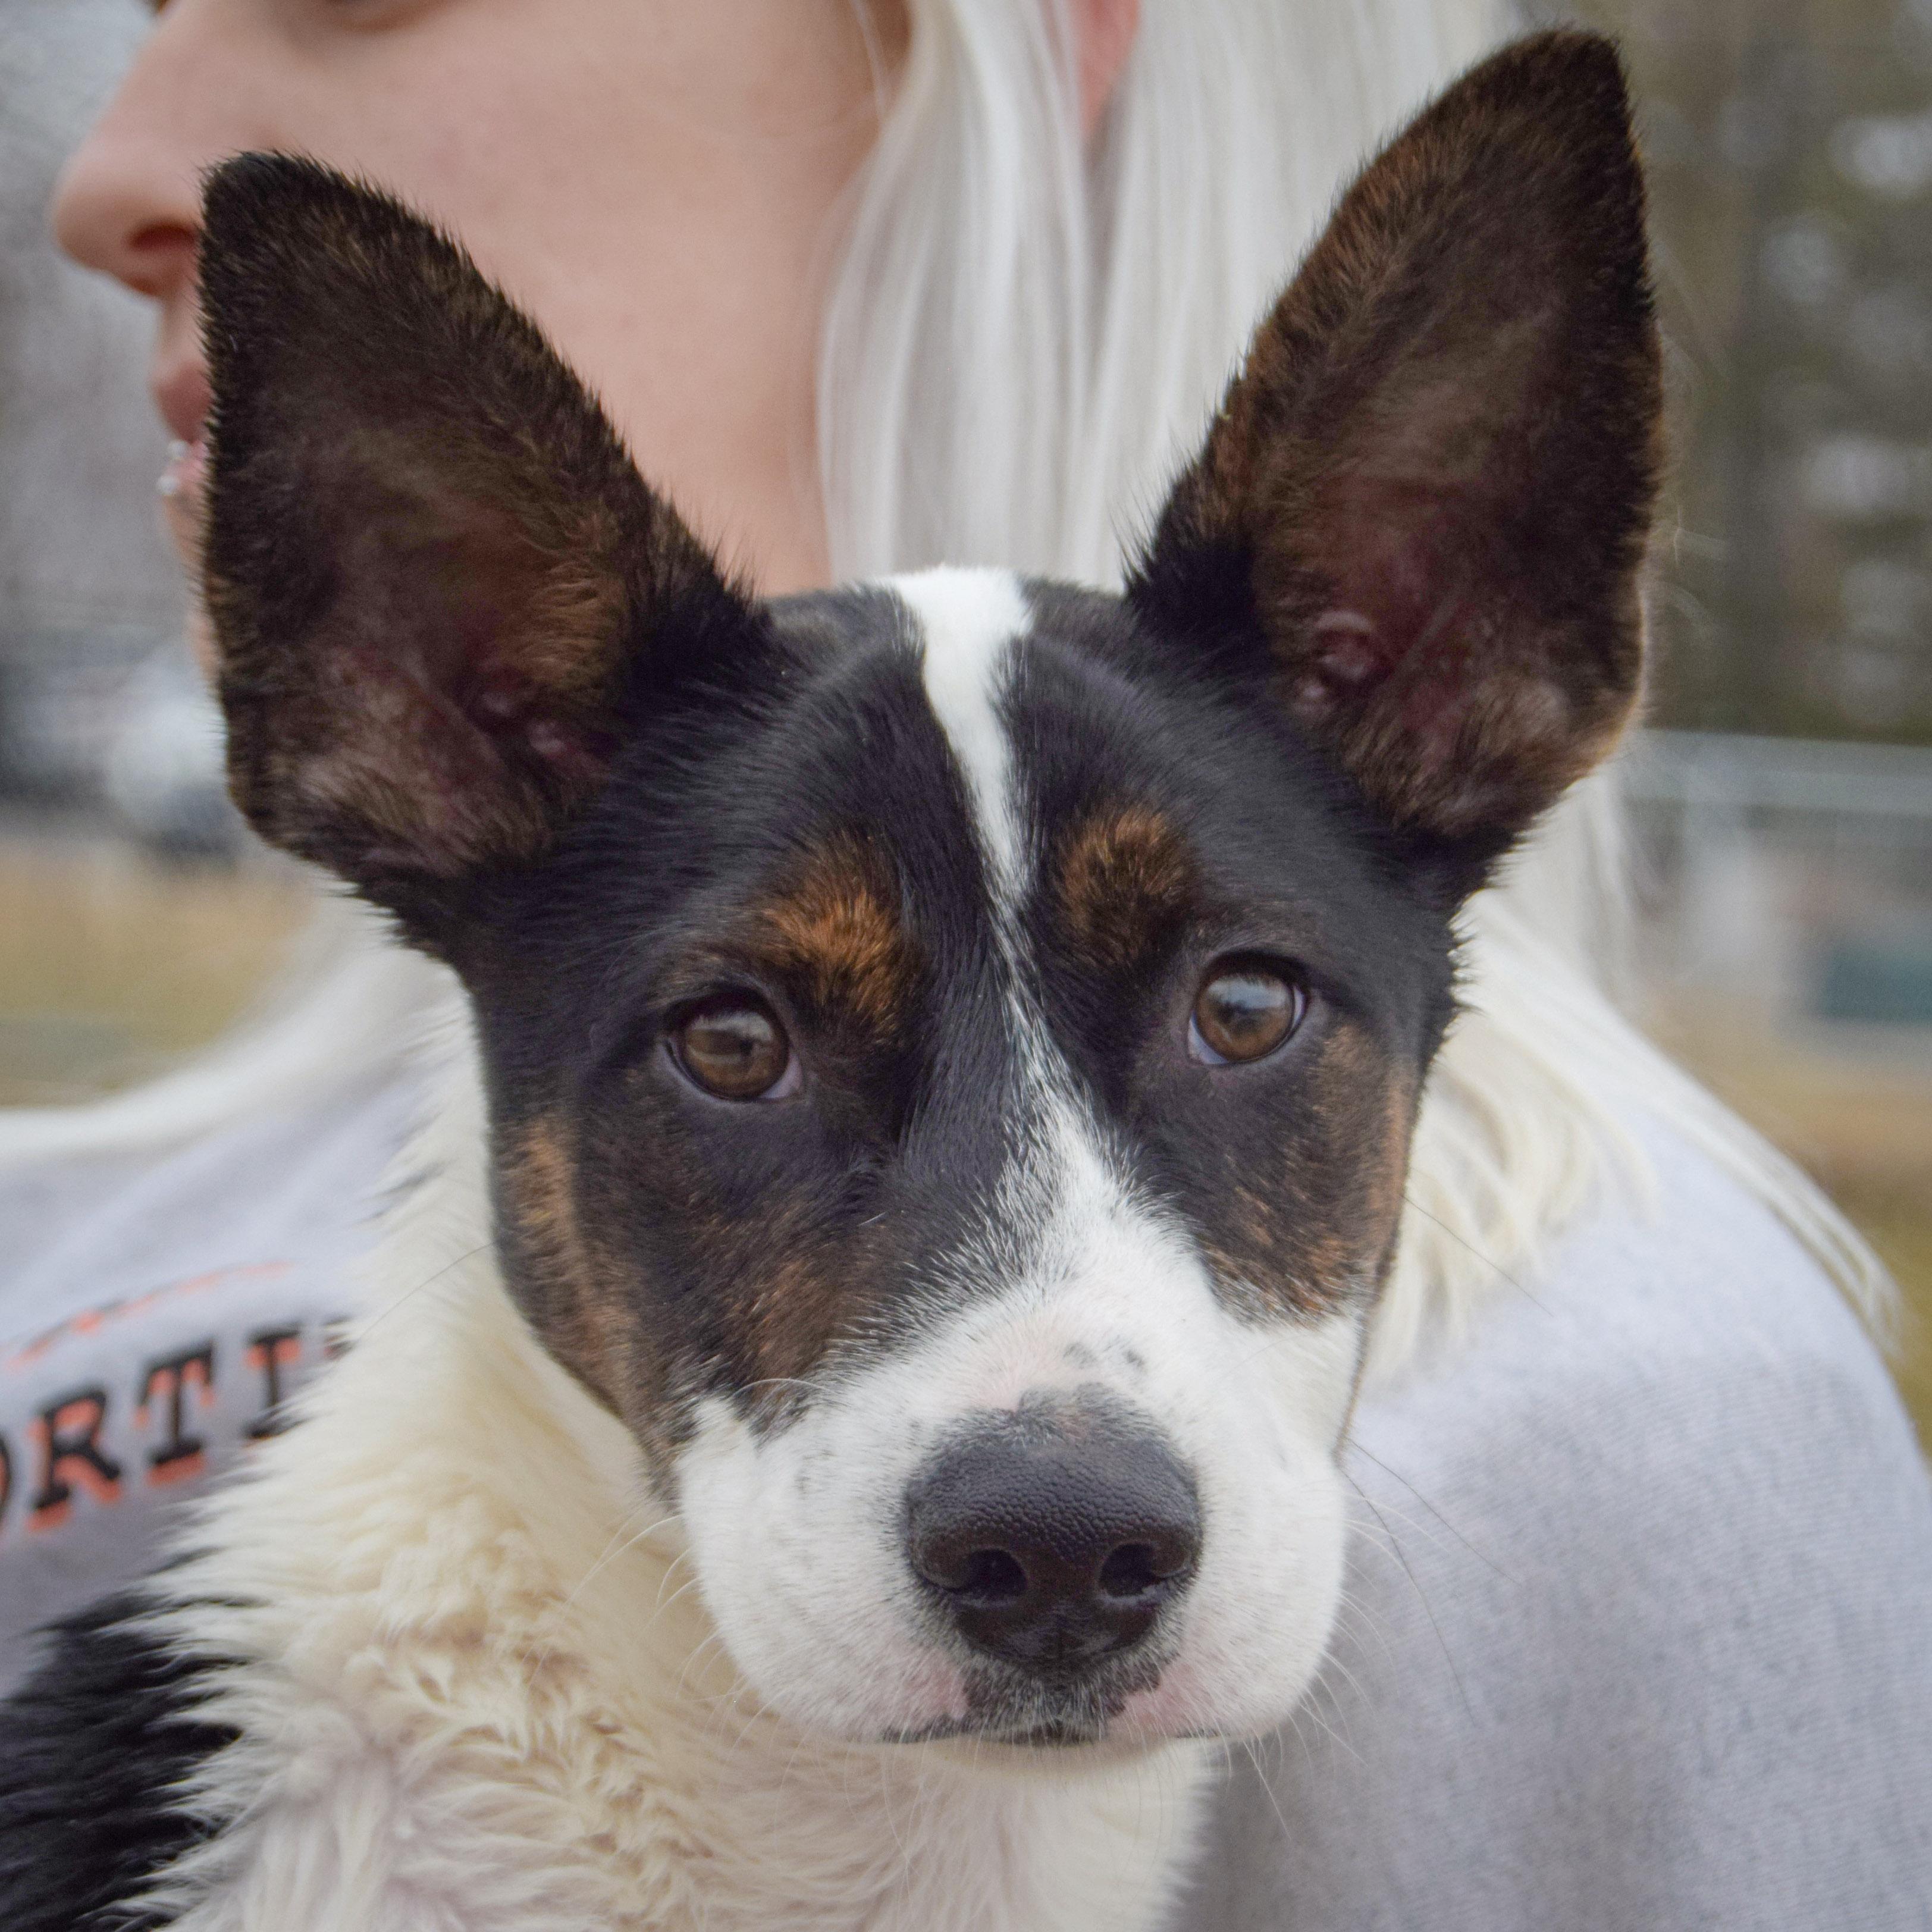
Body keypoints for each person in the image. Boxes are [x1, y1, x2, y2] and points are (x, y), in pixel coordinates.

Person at [5, 1, 1928, 1924]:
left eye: (1241, 1012)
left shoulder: (1643, 1403)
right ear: (429, 714)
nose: (1054, 1451)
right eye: (740, 1043)